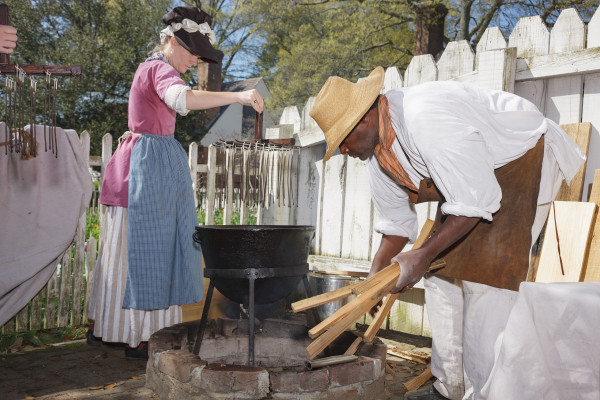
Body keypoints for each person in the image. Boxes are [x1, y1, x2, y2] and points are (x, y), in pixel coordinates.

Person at [309, 66, 585, 400]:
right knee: (440, 281)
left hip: (521, 159)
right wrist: (375, 276)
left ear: (364, 120)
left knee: (487, 286)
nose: (342, 150)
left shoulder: (424, 119)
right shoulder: (379, 156)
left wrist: (422, 256)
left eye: (342, 140)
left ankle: (488, 393)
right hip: (471, 185)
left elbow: (475, 199)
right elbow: (396, 225)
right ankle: (449, 389)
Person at [87, 6, 264, 360]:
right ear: (171, 42)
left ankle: (137, 331)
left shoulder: (159, 69)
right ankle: (137, 335)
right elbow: (181, 99)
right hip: (143, 173)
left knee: (158, 246)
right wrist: (238, 96)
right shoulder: (157, 68)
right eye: (192, 51)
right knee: (141, 249)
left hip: (155, 167)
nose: (195, 60)